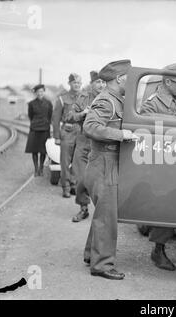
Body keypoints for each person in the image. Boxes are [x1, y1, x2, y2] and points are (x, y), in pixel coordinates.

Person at [83, 59, 137, 280]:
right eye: (129, 77)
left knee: (102, 213)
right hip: (104, 162)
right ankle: (102, 265)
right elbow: (90, 126)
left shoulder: (117, 100)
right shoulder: (107, 101)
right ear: (119, 79)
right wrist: (121, 135)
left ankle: (90, 254)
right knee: (107, 216)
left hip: (107, 161)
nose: (131, 81)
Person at [140, 62, 176, 271]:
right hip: (160, 162)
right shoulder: (151, 103)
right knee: (167, 202)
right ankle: (158, 249)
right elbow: (146, 131)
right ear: (167, 81)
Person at [65, 71, 105, 223]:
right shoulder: (83, 97)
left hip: (101, 144)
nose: (101, 85)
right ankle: (83, 209)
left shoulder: (109, 99)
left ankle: (103, 212)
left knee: (101, 181)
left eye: (103, 82)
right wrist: (83, 113)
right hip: (83, 143)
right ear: (92, 83)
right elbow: (69, 116)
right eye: (98, 82)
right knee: (81, 179)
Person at [52, 73, 82, 198]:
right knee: (65, 162)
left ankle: (74, 185)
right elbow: (55, 119)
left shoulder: (83, 97)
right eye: (75, 82)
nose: (77, 85)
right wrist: (57, 137)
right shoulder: (62, 98)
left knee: (77, 161)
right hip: (67, 131)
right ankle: (66, 186)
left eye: (79, 83)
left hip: (80, 132)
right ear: (69, 83)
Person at [24, 84, 53, 176]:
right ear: (35, 93)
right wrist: (35, 122)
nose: (40, 93)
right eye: (38, 92)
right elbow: (30, 116)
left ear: (43, 92)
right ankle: (36, 169)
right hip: (35, 129)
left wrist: (47, 123)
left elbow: (50, 115)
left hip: (45, 128)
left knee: (43, 150)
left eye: (41, 91)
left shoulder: (48, 103)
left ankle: (41, 169)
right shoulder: (31, 104)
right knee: (35, 150)